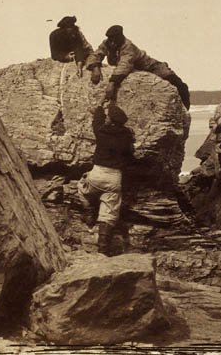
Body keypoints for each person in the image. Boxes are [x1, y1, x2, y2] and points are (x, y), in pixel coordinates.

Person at [76, 102, 135, 255]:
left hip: (98, 172)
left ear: (110, 119)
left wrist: (100, 108)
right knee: (109, 212)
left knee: (83, 188)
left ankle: (89, 212)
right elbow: (130, 157)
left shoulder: (102, 132)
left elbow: (97, 121)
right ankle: (102, 247)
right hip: (115, 177)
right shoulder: (127, 136)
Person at [85, 25, 191, 109]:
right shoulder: (107, 43)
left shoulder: (128, 46)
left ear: (120, 37)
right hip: (135, 70)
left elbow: (124, 65)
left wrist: (112, 82)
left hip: (152, 67)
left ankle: (184, 113)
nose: (112, 42)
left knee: (180, 85)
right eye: (110, 39)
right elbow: (95, 55)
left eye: (114, 39)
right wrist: (95, 67)